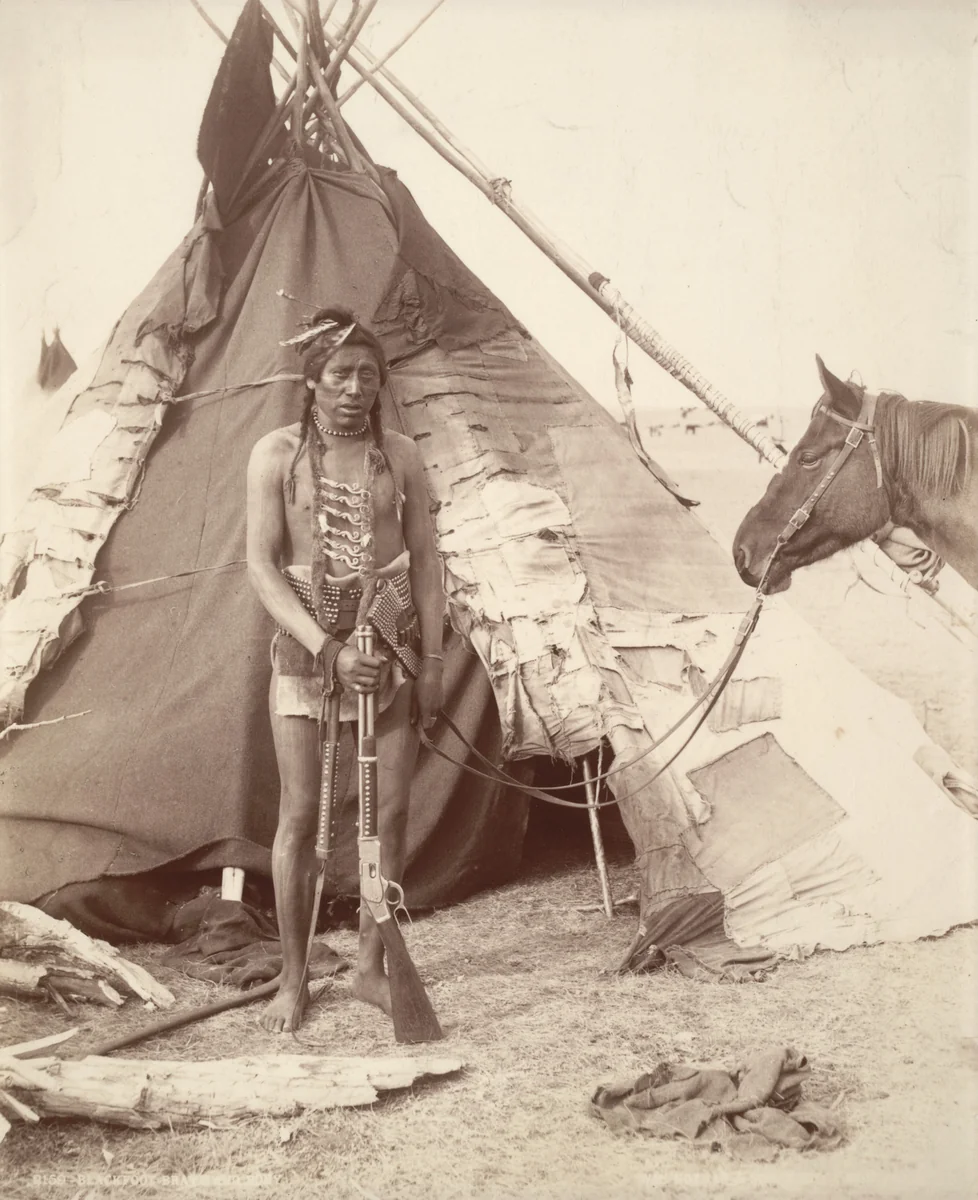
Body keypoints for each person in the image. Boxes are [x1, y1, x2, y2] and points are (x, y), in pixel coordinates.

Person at [246, 307, 445, 1033]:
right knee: (300, 819)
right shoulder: (275, 455)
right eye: (340, 374)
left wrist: (429, 660)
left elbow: (427, 560)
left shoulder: (402, 456)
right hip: (306, 650)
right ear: (311, 381)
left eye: (368, 373)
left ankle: (370, 967)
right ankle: (294, 979)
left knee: (388, 814)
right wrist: (329, 651)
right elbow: (261, 567)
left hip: (389, 644)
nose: (355, 388)